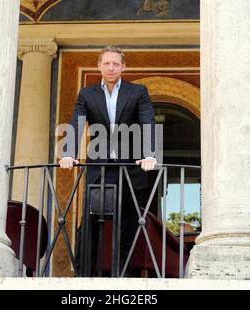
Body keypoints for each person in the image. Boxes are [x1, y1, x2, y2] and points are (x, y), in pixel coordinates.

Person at [59, 46, 157, 276]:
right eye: (106, 63)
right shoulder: (87, 94)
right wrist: (68, 153)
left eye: (116, 64)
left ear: (123, 67)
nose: (111, 67)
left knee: (128, 226)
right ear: (99, 66)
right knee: (90, 224)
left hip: (130, 167)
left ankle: (124, 278)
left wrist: (150, 154)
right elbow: (76, 123)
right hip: (99, 167)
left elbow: (147, 123)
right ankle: (83, 277)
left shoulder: (138, 92)